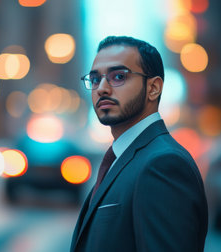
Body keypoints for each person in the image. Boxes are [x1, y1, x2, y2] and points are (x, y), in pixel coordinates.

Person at [70, 36, 208, 252]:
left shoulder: (163, 164)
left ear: (153, 88)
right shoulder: (122, 158)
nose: (102, 89)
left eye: (118, 76)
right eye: (95, 79)